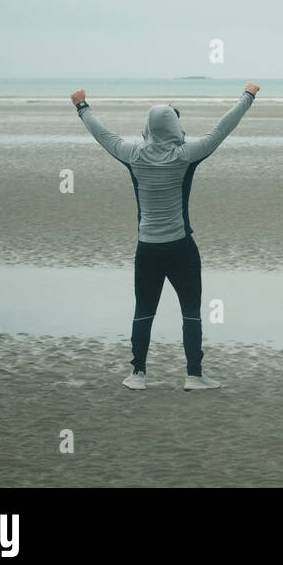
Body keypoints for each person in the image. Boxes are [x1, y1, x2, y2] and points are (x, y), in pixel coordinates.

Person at [71, 83, 260, 390]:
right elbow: (222, 128)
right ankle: (194, 375)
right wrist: (248, 96)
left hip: (147, 250)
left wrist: (81, 106)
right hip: (181, 249)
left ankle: (137, 374)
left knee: (144, 310)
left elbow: (103, 134)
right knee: (191, 312)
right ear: (175, 126)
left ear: (147, 127)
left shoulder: (133, 155)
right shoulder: (186, 155)